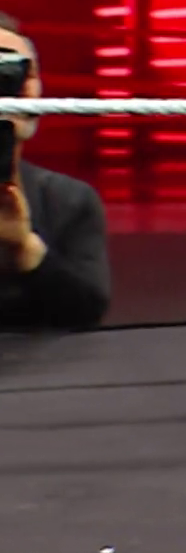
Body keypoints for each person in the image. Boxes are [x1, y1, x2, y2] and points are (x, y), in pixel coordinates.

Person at [0, 21, 110, 332]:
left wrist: (25, 249)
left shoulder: (71, 200)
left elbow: (87, 311)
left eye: (24, 71)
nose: (16, 85)